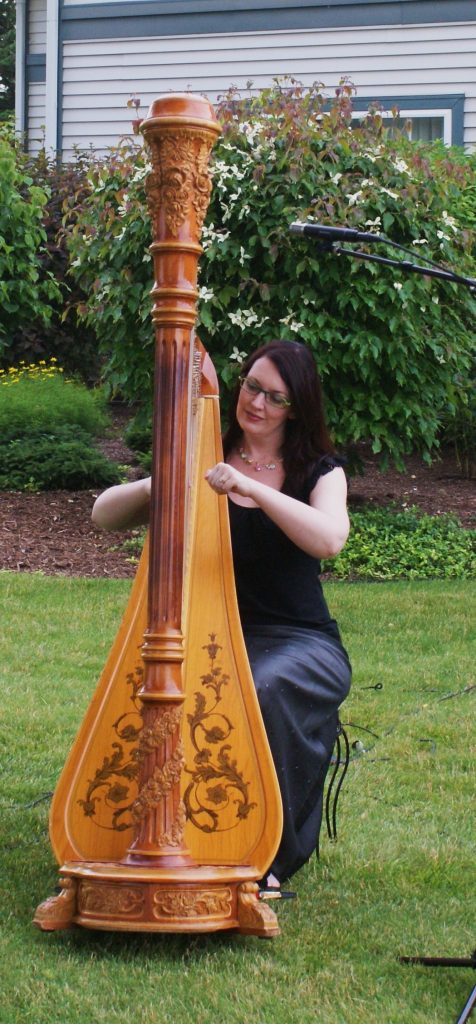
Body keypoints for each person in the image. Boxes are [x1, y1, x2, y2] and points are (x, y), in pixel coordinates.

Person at [92, 339, 352, 890]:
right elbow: (102, 515)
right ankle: (159, 830)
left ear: (297, 408)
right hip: (209, 633)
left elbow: (330, 539)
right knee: (154, 684)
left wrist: (249, 487)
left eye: (275, 397)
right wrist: (165, 476)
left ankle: (265, 856)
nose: (256, 403)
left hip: (298, 640)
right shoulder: (204, 445)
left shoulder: (319, 471)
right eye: (252, 387)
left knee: (257, 687)